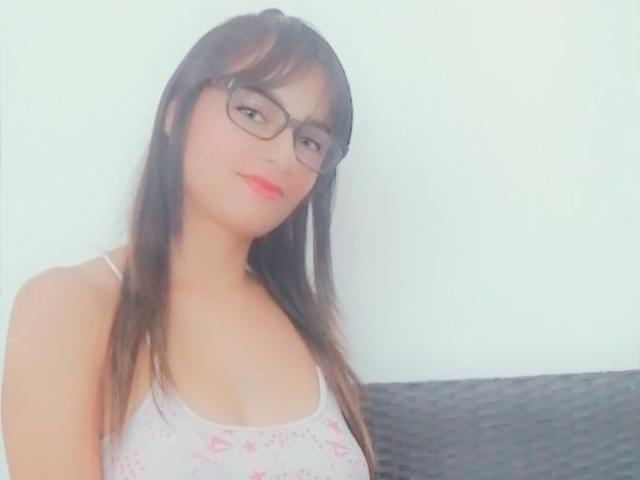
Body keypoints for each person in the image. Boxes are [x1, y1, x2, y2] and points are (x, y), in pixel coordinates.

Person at [2, 7, 377, 480]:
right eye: (253, 112)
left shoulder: (305, 323)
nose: (285, 154)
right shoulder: (68, 307)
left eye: (310, 141)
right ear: (176, 109)